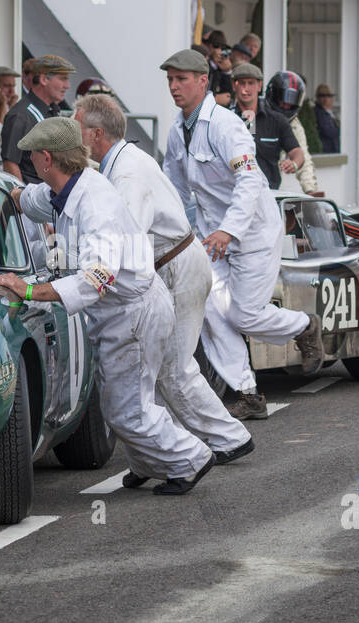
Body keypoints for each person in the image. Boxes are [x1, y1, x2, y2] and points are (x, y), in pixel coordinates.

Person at [0, 116, 216, 496]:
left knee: (129, 409)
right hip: (119, 314)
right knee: (119, 402)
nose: (29, 163)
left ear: (46, 158)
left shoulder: (98, 206)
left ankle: (189, 458)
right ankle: (148, 463)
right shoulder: (66, 186)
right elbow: (29, 200)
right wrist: (2, 198)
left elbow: (95, 280)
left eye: (31, 157)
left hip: (134, 313)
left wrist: (28, 291)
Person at [76, 93, 253, 469]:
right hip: (169, 262)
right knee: (156, 368)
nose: (72, 133)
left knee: (173, 366)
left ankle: (228, 438)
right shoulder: (119, 162)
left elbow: (126, 234)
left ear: (95, 134)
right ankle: (157, 457)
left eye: (77, 126)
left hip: (174, 265)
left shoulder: (126, 172)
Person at [160, 49, 322, 420]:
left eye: (181, 78)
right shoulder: (177, 131)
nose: (174, 86)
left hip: (252, 232)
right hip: (211, 237)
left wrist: (227, 231)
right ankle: (247, 393)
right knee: (214, 313)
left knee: (245, 316)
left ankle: (304, 326)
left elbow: (251, 181)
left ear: (203, 82)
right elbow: (174, 189)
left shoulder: (225, 126)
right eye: (170, 79)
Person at [0, 54, 73, 182]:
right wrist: (20, 198)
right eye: (63, 79)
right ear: (44, 79)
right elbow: (10, 164)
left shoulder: (51, 111)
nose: (68, 85)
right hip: (32, 198)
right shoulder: (21, 116)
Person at [229, 64, 304, 189]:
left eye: (251, 83)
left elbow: (297, 153)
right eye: (241, 83)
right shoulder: (225, 118)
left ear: (259, 86)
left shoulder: (277, 120)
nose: (246, 88)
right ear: (234, 85)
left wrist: (294, 164)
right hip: (233, 192)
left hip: (269, 194)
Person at [263, 70, 322, 195]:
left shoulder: (294, 124)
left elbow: (303, 158)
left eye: (291, 102)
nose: (286, 106)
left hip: (272, 187)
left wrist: (310, 189)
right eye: (283, 100)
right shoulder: (253, 114)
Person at [204, 31, 234, 105]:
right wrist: (215, 99)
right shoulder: (204, 64)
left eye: (222, 47)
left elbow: (228, 96)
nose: (219, 50)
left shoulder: (223, 68)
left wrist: (227, 72)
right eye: (216, 46)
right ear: (209, 46)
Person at [312, 82, 341, 151]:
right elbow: (330, 132)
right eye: (322, 96)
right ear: (318, 98)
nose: (326, 99)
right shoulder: (320, 113)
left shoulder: (327, 113)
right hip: (327, 151)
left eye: (328, 96)